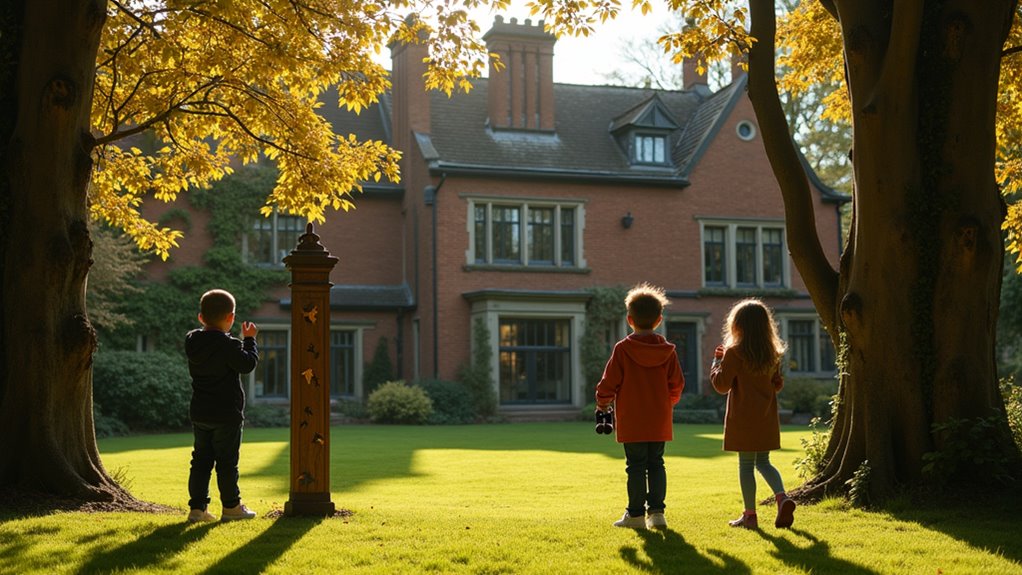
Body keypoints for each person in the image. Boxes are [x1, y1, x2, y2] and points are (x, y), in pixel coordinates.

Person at [596, 283, 685, 530]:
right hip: (659, 418)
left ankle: (635, 515)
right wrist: (667, 403)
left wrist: (602, 403)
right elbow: (676, 384)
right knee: (657, 463)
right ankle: (657, 513)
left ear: (629, 319)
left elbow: (608, 383)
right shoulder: (668, 352)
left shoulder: (623, 349)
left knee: (635, 466)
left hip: (632, 418)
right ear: (658, 320)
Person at [710, 298, 795, 529]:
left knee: (746, 466)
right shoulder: (773, 354)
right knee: (764, 462)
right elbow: (776, 384)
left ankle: (750, 515)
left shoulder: (734, 353)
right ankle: (782, 497)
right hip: (766, 417)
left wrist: (716, 362)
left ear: (737, 326)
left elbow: (721, 385)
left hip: (743, 418)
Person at [185, 289, 260, 522]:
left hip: (200, 412)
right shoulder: (230, 346)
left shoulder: (192, 341)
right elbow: (247, 364)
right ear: (231, 317)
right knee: (227, 462)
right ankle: (231, 507)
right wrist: (249, 339)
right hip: (227, 414)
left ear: (200, 317)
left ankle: (197, 509)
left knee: (200, 461)